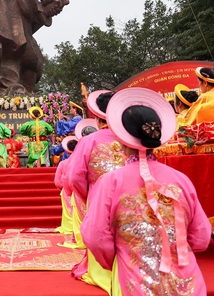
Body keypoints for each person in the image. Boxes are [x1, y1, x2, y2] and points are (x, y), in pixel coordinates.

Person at [82, 87, 212, 295]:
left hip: (135, 281)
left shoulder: (110, 182)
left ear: (122, 136)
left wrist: (117, 258)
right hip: (187, 284)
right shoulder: (181, 180)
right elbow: (201, 237)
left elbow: (95, 236)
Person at [65, 90, 125, 291]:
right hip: (132, 193)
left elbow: (74, 177)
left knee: (101, 232)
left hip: (99, 194)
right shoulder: (130, 137)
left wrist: (87, 194)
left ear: (97, 117)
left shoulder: (89, 141)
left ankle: (102, 270)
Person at [54, 136, 77, 235]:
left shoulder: (63, 163)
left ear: (67, 151)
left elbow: (57, 181)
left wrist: (62, 187)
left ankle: (69, 226)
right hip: (78, 190)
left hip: (66, 189)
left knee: (68, 209)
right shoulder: (81, 162)